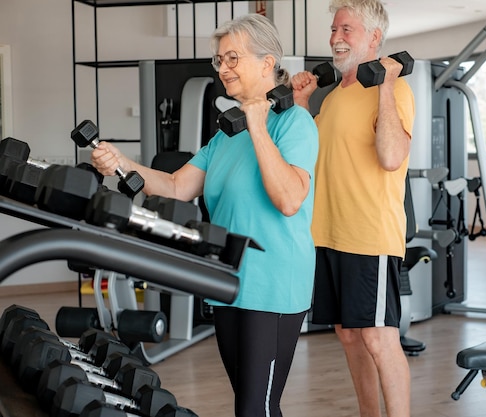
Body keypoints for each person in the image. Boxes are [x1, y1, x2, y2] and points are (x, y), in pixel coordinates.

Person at [90, 13, 319, 417]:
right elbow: (178, 186)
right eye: (219, 60)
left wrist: (258, 124)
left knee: (255, 407)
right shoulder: (225, 136)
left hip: (274, 285)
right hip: (229, 282)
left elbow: (289, 199)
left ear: (267, 63)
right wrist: (122, 163)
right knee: (253, 406)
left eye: (233, 58)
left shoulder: (294, 123)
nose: (223, 68)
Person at [291, 0, 414, 416]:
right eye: (333, 29)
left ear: (374, 38)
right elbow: (311, 156)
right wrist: (304, 102)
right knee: (348, 335)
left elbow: (392, 157)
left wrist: (385, 85)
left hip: (368, 234)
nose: (335, 38)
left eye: (346, 29)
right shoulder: (334, 97)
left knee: (378, 338)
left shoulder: (395, 90)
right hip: (327, 232)